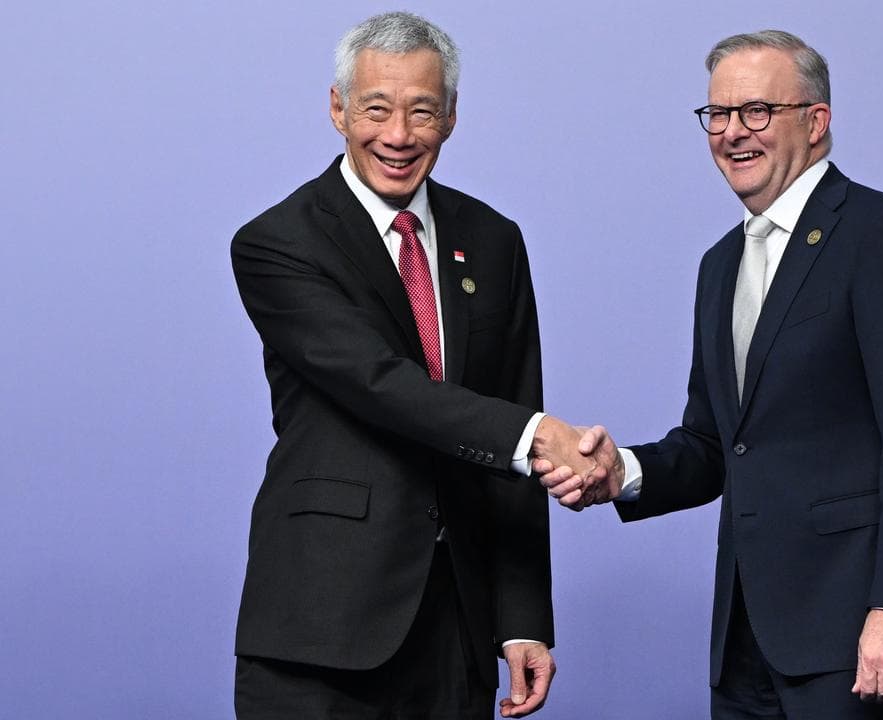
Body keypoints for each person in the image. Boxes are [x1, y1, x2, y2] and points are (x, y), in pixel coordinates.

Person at [537, 30, 883, 719]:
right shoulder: (720, 264)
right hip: (747, 636)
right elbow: (715, 445)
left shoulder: (882, 235)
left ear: (816, 122)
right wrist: (619, 472)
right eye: (717, 115)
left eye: (756, 112)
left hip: (855, 629)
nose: (731, 133)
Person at [230, 12, 604, 720]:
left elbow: (513, 410)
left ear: (452, 118)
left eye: (422, 112)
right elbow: (382, 385)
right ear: (338, 108)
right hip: (321, 628)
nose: (398, 136)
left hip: (455, 627)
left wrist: (522, 616)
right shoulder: (278, 242)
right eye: (376, 108)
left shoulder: (493, 240)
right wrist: (538, 437)